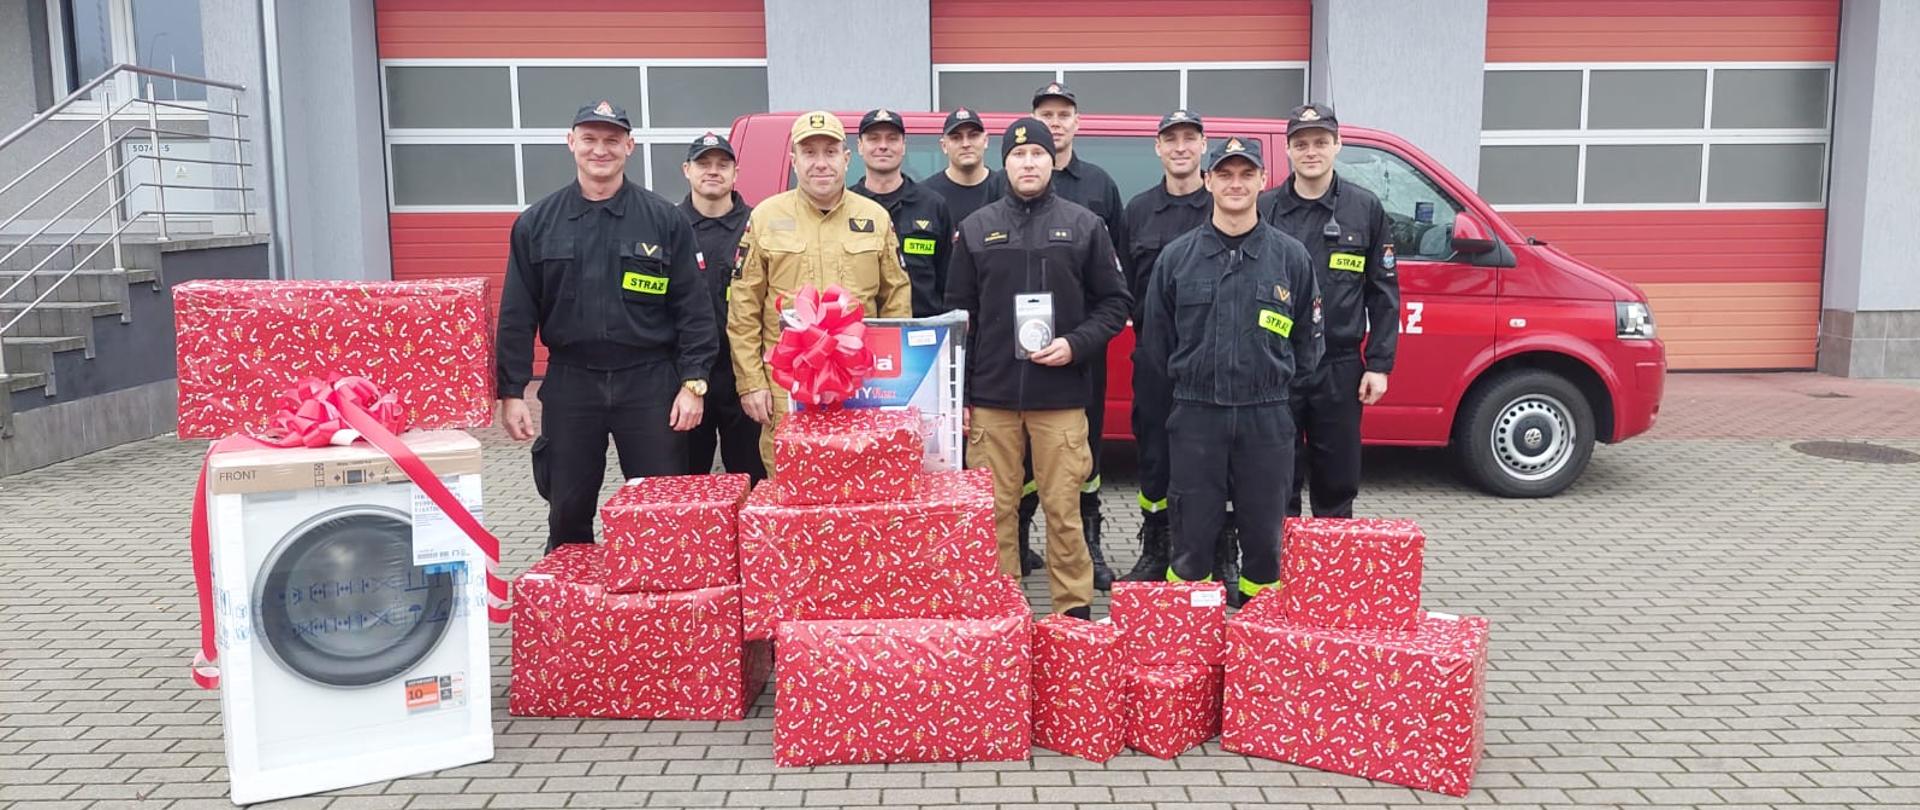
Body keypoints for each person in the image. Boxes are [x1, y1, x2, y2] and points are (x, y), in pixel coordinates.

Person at [497, 100, 718, 553]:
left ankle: (659, 607)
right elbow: (517, 315)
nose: (601, 150)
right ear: (571, 142)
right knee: (568, 507)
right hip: (572, 385)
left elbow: (694, 311)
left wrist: (693, 384)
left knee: (659, 510)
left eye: (612, 140)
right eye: (591, 139)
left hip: (650, 383)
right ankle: (573, 612)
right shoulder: (537, 224)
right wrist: (512, 392)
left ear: (630, 146)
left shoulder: (664, 220)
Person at [946, 117, 1131, 619]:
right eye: (1018, 155)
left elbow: (1115, 304)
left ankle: (1072, 616)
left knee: (1063, 513)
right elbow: (960, 320)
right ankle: (1003, 614)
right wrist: (960, 399)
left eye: (1038, 155)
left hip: (1061, 398)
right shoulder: (977, 229)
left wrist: (1076, 344)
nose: (1028, 163)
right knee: (997, 514)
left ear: (1053, 161)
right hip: (992, 401)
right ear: (1003, 163)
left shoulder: (1086, 226)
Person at [1138, 136, 1322, 607]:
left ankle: (1256, 644)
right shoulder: (1177, 258)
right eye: (1224, 174)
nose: (1235, 184)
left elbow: (1309, 347)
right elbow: (1156, 348)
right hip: (1196, 418)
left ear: (1264, 180)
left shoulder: (1291, 258)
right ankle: (1190, 652)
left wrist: (1273, 393)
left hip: (1267, 420)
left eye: (1246, 174)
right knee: (1191, 544)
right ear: (1207, 180)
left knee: (1265, 546)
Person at [729, 111, 913, 473]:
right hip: (787, 386)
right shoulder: (765, 217)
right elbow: (743, 308)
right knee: (792, 483)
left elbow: (897, 301)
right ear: (794, 160)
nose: (820, 163)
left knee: (862, 478)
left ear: (847, 159)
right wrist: (751, 383)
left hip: (863, 384)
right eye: (809, 153)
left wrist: (895, 383)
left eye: (830, 152)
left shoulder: (875, 218)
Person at [1256, 104, 1400, 518]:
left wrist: (1379, 364)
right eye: (1301, 144)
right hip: (1276, 363)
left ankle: (1329, 575)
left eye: (1321, 142)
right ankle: (1276, 575)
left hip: (1338, 367)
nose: (1311, 151)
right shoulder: (1265, 210)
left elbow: (1384, 292)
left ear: (1338, 145)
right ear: (1287, 151)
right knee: (1276, 476)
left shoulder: (1364, 209)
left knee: (1336, 479)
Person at [1017, 80, 1129, 589]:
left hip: (1081, 350)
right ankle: (1016, 542)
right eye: (1047, 113)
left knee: (1086, 451)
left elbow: (1115, 272)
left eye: (1064, 114)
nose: (1057, 121)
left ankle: (1090, 545)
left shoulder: (1100, 185)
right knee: (1018, 454)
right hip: (1015, 356)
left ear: (1077, 123)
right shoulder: (1013, 178)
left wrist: (1085, 338)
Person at [1117, 109, 1216, 584]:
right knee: (1155, 454)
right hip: (1154, 358)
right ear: (1157, 147)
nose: (1180, 147)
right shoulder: (1137, 211)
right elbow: (1120, 285)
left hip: (1213, 358)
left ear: (1203, 146)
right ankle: (1157, 542)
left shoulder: (1222, 203)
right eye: (1170, 139)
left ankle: (1221, 547)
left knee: (1216, 456)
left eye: (1189, 138)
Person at [677, 131, 765, 481]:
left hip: (744, 374)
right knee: (688, 483)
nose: (713, 171)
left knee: (754, 479)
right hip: (685, 378)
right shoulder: (668, 226)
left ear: (735, 172)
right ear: (687, 169)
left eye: (722, 164)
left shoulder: (759, 225)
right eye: (703, 163)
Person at [850, 108, 954, 317]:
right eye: (873, 139)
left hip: (922, 335)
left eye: (892, 139)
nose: (883, 146)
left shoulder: (933, 205)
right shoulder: (846, 206)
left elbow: (949, 282)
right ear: (860, 146)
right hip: (859, 334)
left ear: (903, 146)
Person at [920, 107, 1000, 225]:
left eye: (973, 136)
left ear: (986, 140)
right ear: (944, 146)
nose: (966, 144)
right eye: (956, 138)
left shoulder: (1004, 190)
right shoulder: (926, 195)